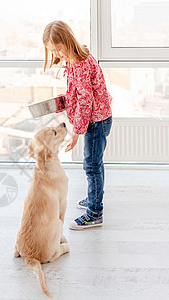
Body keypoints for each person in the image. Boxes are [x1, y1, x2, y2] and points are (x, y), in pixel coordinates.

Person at [43, 20, 113, 230]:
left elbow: (86, 100)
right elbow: (77, 95)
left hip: (96, 121)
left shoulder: (80, 64)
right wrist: (59, 103)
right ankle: (94, 199)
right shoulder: (73, 61)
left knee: (92, 166)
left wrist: (76, 133)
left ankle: (94, 213)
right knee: (93, 164)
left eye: (58, 49)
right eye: (52, 51)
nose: (57, 55)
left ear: (66, 41)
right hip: (97, 118)